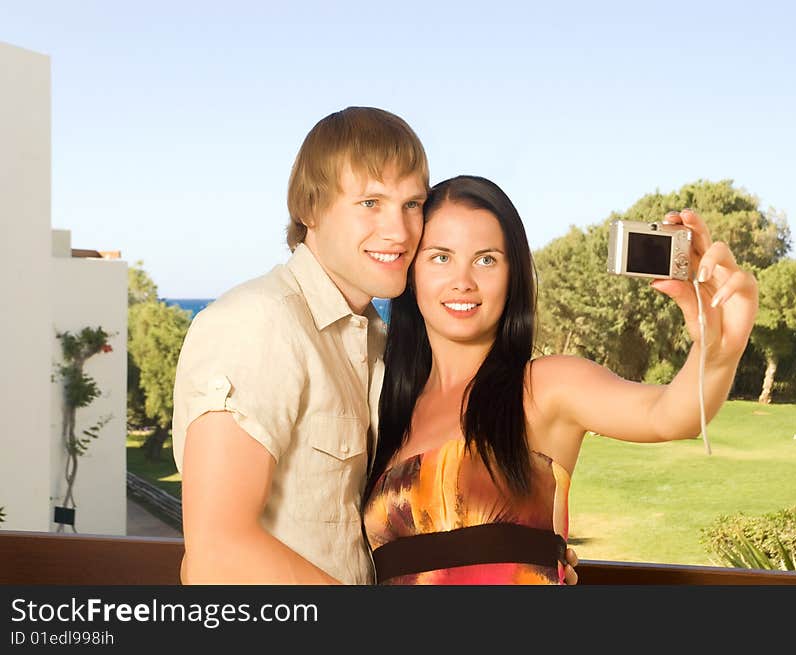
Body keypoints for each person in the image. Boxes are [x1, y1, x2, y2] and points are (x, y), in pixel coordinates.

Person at [171, 108, 580, 584]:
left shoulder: (377, 348)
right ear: (308, 208)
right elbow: (217, 552)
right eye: (370, 203)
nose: (400, 231)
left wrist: (522, 549)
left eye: (411, 205)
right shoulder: (258, 324)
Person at [364, 175, 759, 584]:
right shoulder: (382, 403)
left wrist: (716, 354)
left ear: (513, 274)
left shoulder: (544, 387)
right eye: (441, 257)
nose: (463, 280)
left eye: (486, 259)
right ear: (411, 272)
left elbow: (669, 415)